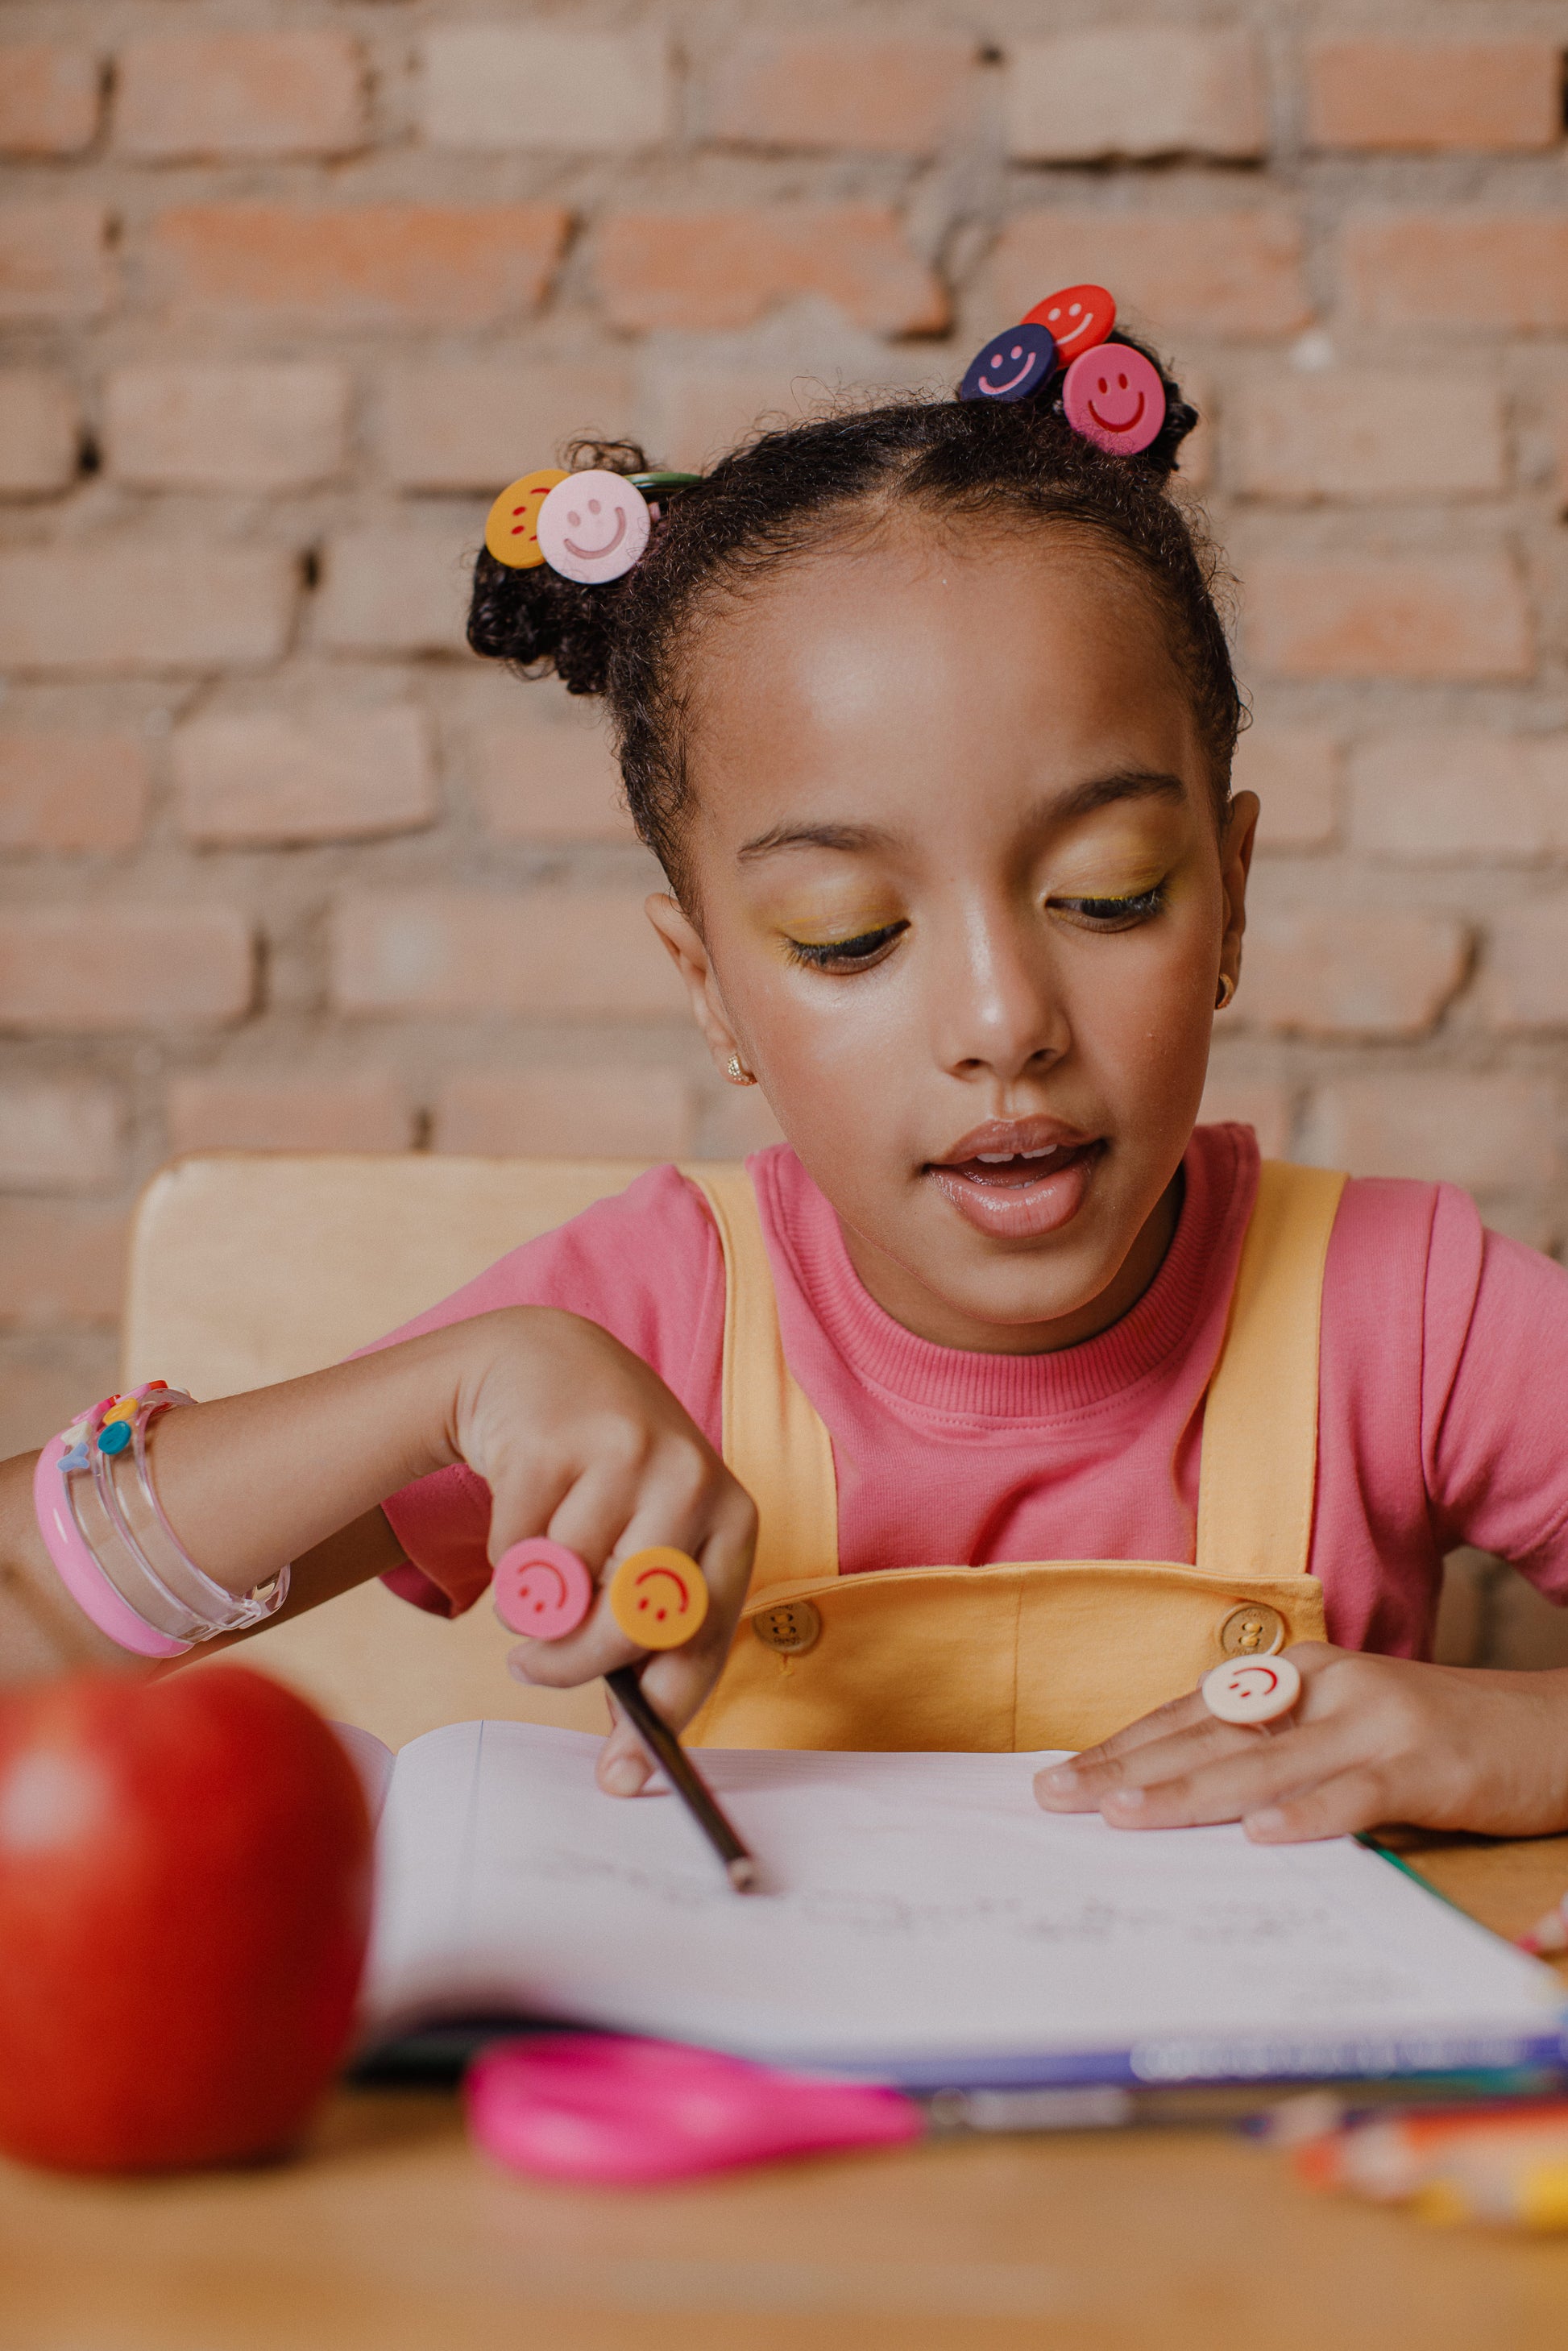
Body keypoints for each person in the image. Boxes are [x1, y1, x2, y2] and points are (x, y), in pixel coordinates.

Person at [4, 313, 1567, 1847]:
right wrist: (444, 1390)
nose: (1000, 1015)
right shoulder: (650, 1313)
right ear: (713, 991)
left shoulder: (1402, 1312)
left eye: (1105, 892)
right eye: (850, 933)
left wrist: (1512, 1729)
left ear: (1227, 894)